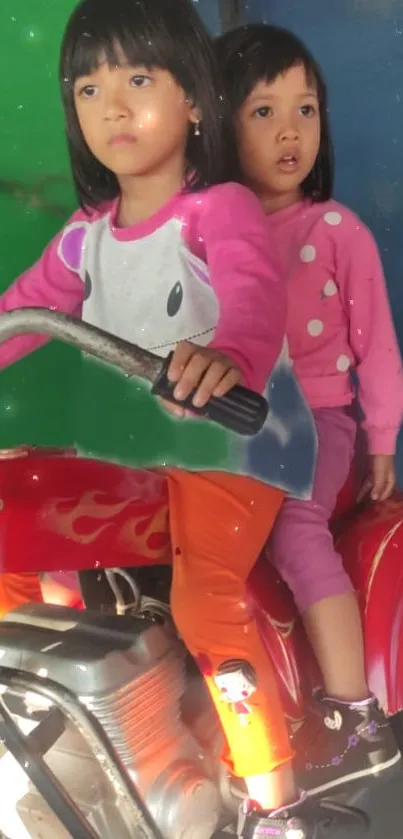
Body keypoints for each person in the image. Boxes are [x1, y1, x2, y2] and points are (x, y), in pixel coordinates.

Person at [0, 3, 346, 838]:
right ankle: (94, 729)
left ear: (194, 100)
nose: (112, 105)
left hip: (236, 440)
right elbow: (22, 309)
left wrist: (226, 352)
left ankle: (272, 799)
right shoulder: (84, 239)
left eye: (139, 79)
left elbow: (252, 295)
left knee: (205, 596)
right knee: (23, 548)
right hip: (134, 452)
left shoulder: (217, 209)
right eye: (89, 86)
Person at [217, 21, 403, 803]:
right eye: (263, 111)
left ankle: (355, 718)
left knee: (294, 524)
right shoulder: (209, 234)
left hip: (318, 424)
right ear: (220, 123)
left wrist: (381, 441)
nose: (290, 130)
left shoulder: (334, 230)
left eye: (305, 109)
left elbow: (380, 349)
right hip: (233, 431)